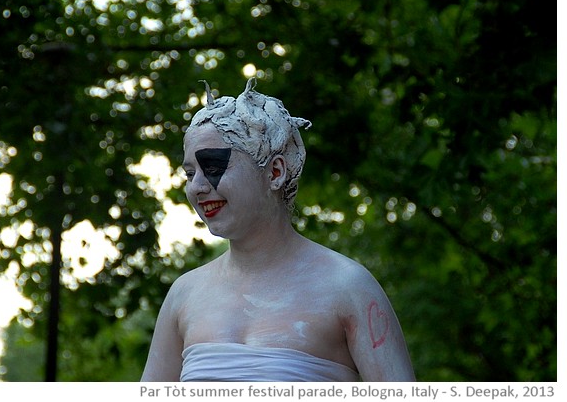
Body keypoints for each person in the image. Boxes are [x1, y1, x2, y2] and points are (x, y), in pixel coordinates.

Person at [141, 78, 415, 382]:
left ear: (275, 172)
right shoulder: (185, 295)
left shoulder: (347, 287)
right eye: (190, 173)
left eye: (214, 168)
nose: (198, 187)